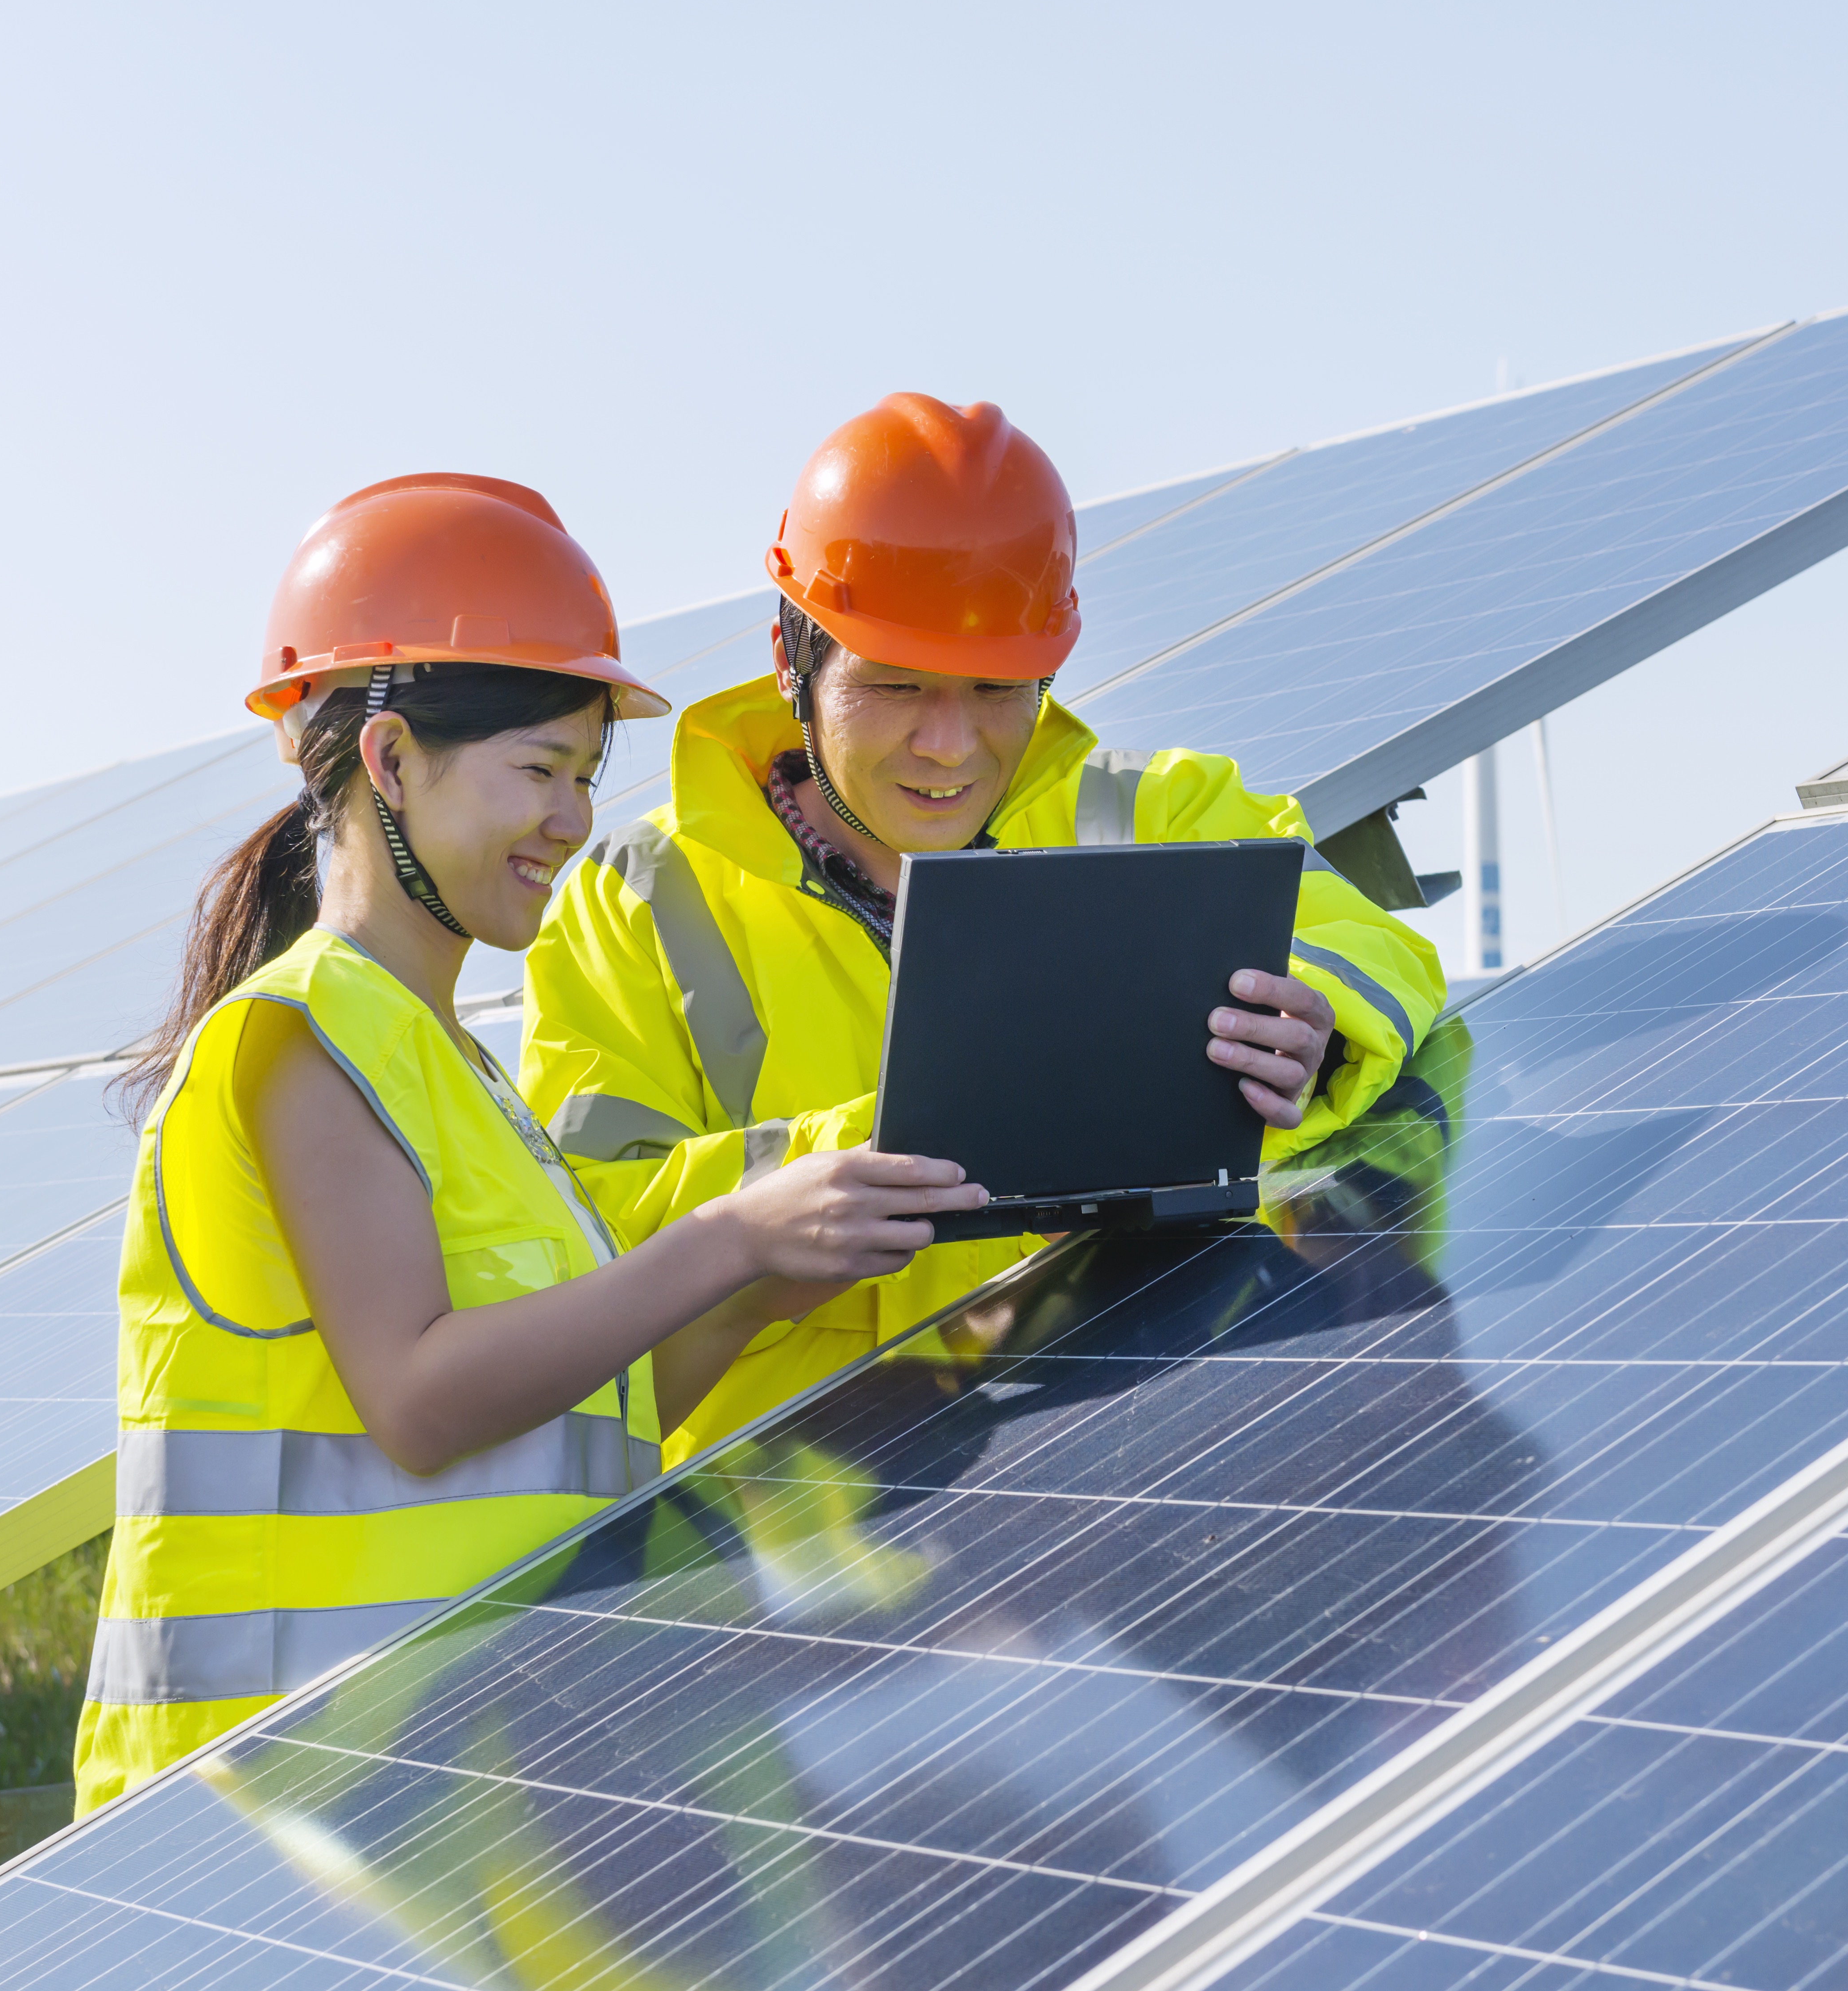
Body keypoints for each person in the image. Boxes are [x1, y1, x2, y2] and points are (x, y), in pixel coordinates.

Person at [74, 473, 987, 1813]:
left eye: (585, 778)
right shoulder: (301, 1038)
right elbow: (424, 1400)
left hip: (433, 1800)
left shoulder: (467, 1082)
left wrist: (762, 1289)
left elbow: (583, 1426)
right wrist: (726, 1235)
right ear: (388, 762)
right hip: (259, 1809)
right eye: (539, 773)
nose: (572, 820)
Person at [522, 395, 1446, 1467]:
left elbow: (1375, 943)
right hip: (811, 1518)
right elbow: (582, 1235)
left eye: (996, 691)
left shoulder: (1151, 815)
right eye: (895, 686)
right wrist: (874, 1154)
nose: (949, 745)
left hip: (1138, 1464)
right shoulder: (633, 901)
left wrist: (1316, 1018)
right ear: (791, 657)